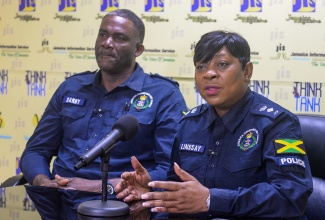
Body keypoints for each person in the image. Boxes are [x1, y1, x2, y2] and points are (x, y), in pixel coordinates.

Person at [115, 30, 313, 219]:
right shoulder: (188, 124)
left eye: (222, 64)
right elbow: (178, 187)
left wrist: (210, 200)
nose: (209, 74)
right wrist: (151, 195)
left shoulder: (279, 123)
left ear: (247, 71)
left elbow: (291, 196)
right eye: (201, 66)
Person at [20, 9, 187, 220]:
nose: (107, 43)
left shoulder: (164, 94)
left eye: (119, 38)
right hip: (61, 203)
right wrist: (43, 182)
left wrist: (98, 186)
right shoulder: (71, 88)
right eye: (102, 34)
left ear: (138, 49)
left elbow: (171, 170)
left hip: (123, 207)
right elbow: (36, 150)